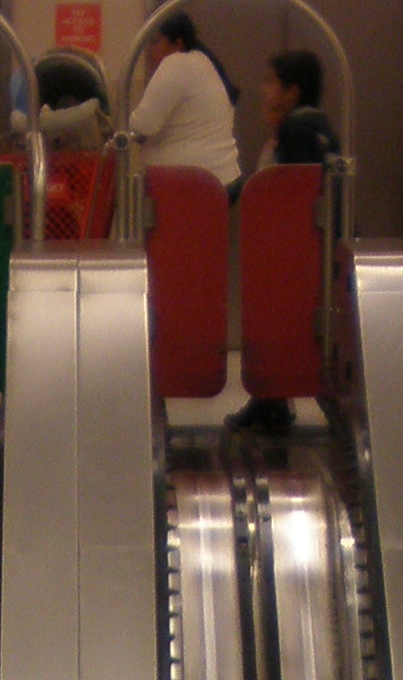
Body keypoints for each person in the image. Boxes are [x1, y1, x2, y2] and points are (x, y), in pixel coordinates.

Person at [228, 49, 337, 438]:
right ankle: (271, 400)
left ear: (292, 91)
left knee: (277, 320)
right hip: (306, 245)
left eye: (271, 82)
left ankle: (271, 399)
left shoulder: (294, 131)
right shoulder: (318, 125)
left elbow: (287, 189)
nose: (263, 90)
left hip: (288, 245)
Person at [128, 14, 242, 189]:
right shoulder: (201, 61)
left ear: (177, 44)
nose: (148, 50)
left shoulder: (176, 63)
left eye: (155, 42)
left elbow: (144, 125)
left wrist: (126, 123)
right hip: (217, 177)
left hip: (194, 183)